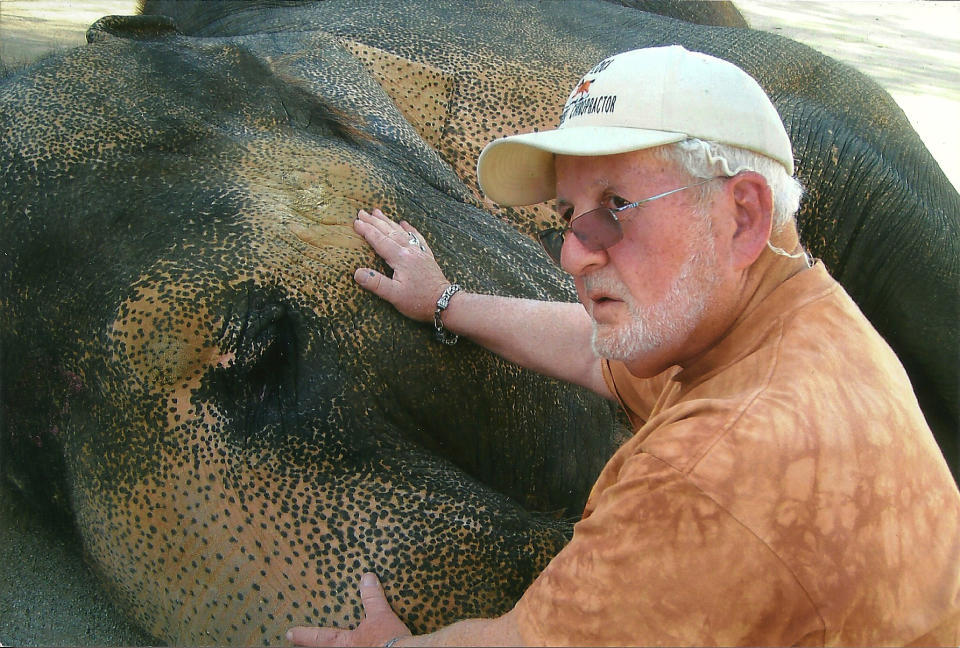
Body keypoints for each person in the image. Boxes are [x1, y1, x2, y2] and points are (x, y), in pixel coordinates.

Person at [288, 46, 960, 646]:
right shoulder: (791, 313)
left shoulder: (716, 465)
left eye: (615, 208)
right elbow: (592, 351)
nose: (576, 254)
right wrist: (444, 301)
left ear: (743, 215)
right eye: (566, 218)